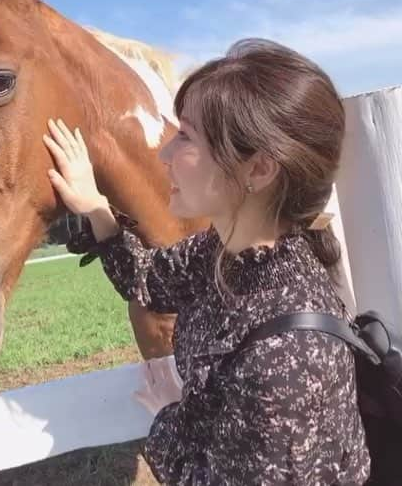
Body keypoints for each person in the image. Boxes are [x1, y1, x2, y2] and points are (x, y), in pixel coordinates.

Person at [43, 38, 369, 485]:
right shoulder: (225, 252)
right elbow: (149, 282)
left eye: (186, 136)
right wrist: (97, 206)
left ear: (258, 170)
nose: (165, 155)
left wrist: (167, 421)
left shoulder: (286, 363)